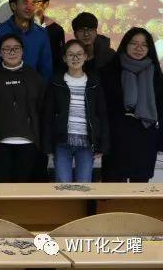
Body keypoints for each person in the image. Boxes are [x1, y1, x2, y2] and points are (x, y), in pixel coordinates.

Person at [100, 28, 163, 183]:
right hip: (116, 136)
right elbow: (101, 108)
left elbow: (161, 109)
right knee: (113, 185)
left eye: (144, 45)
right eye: (134, 43)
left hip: (145, 136)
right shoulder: (109, 71)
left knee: (139, 188)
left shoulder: (155, 74)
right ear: (125, 44)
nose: (139, 48)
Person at [44, 39, 109, 183]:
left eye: (79, 54)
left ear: (85, 57)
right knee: (63, 184)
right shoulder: (56, 82)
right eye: (71, 54)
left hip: (86, 142)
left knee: (84, 184)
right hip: (62, 141)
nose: (75, 58)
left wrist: (102, 144)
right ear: (64, 58)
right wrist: (48, 147)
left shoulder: (94, 83)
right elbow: (48, 116)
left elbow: (102, 114)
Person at [0, 34, 45, 183]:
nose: (12, 52)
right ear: (0, 53)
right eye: (6, 49)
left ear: (22, 51)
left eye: (16, 48)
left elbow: (42, 110)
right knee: (3, 188)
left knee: (23, 188)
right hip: (1, 143)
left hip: (29, 142)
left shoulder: (35, 77)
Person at [0, 0, 52, 80]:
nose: (29, 7)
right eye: (25, 3)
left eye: (33, 4)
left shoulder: (41, 34)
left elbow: (46, 69)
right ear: (13, 6)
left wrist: (40, 88)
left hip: (34, 86)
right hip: (6, 86)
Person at [30, 0, 65, 73]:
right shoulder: (20, 27)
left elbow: (59, 57)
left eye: (37, 1)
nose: (32, 5)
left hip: (50, 75)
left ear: (46, 4)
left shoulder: (56, 30)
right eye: (29, 1)